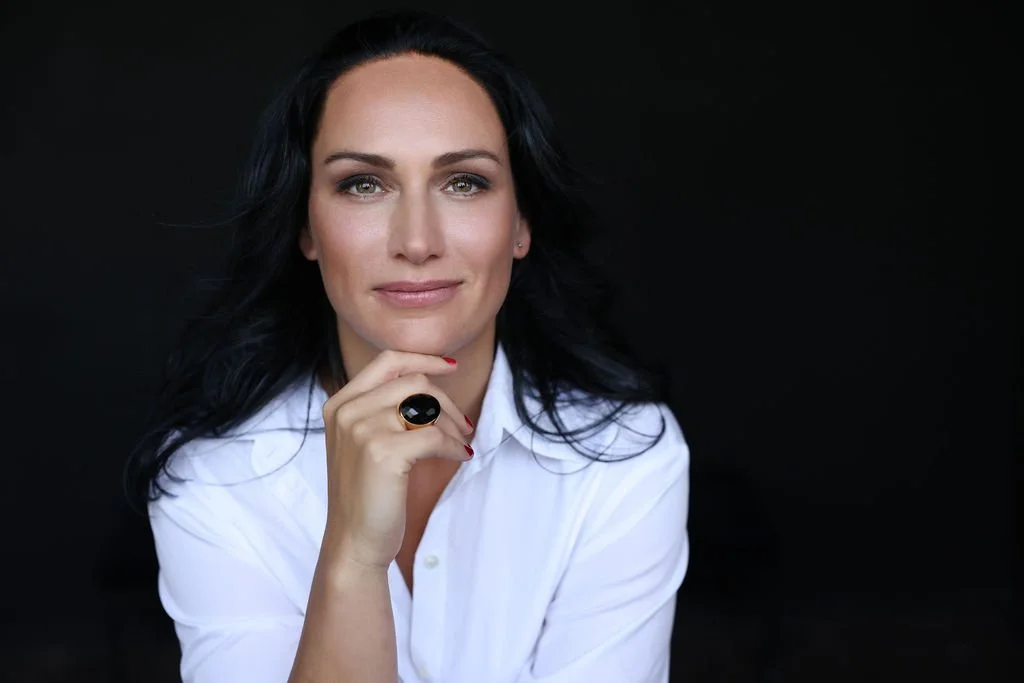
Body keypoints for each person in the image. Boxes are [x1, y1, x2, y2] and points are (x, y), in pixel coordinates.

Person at [126, 10, 690, 683]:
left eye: (464, 182)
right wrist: (354, 557)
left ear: (520, 223)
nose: (417, 241)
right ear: (305, 226)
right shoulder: (216, 477)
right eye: (363, 184)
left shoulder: (624, 456)